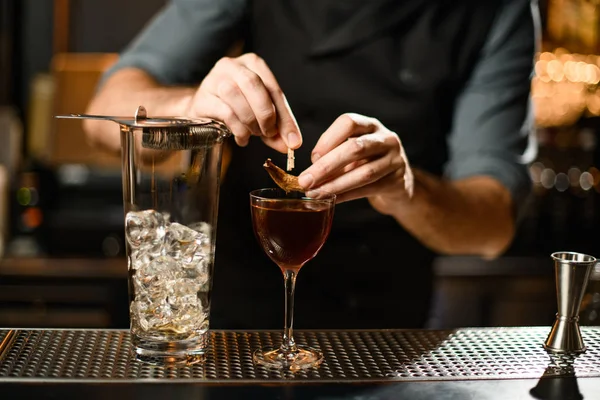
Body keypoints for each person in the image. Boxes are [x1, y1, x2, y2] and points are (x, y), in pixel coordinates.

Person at [84, 0, 540, 330]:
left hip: (384, 329)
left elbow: (492, 226)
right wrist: (191, 106)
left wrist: (404, 187)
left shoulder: (496, 10)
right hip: (243, 312)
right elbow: (105, 113)